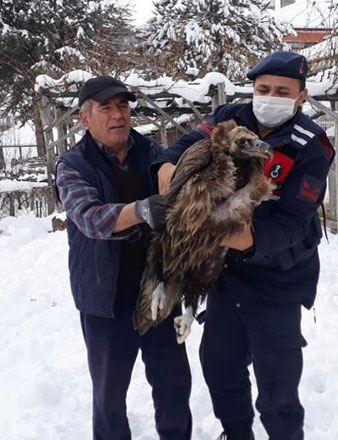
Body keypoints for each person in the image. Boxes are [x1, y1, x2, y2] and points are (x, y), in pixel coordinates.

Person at [154, 52, 335, 440]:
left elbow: (292, 223)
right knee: (219, 365)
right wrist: (168, 165)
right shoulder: (230, 119)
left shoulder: (312, 146)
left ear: (301, 97)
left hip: (278, 277)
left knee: (278, 385)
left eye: (282, 91)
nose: (270, 97)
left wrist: (236, 236)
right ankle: (236, 433)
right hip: (227, 273)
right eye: (263, 88)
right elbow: (186, 144)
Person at [57, 76, 193, 440]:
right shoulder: (73, 165)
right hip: (106, 298)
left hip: (158, 290)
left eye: (123, 106)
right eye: (106, 108)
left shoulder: (151, 154)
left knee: (174, 385)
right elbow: (90, 218)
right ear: (85, 119)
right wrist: (143, 211)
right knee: (109, 395)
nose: (118, 116)